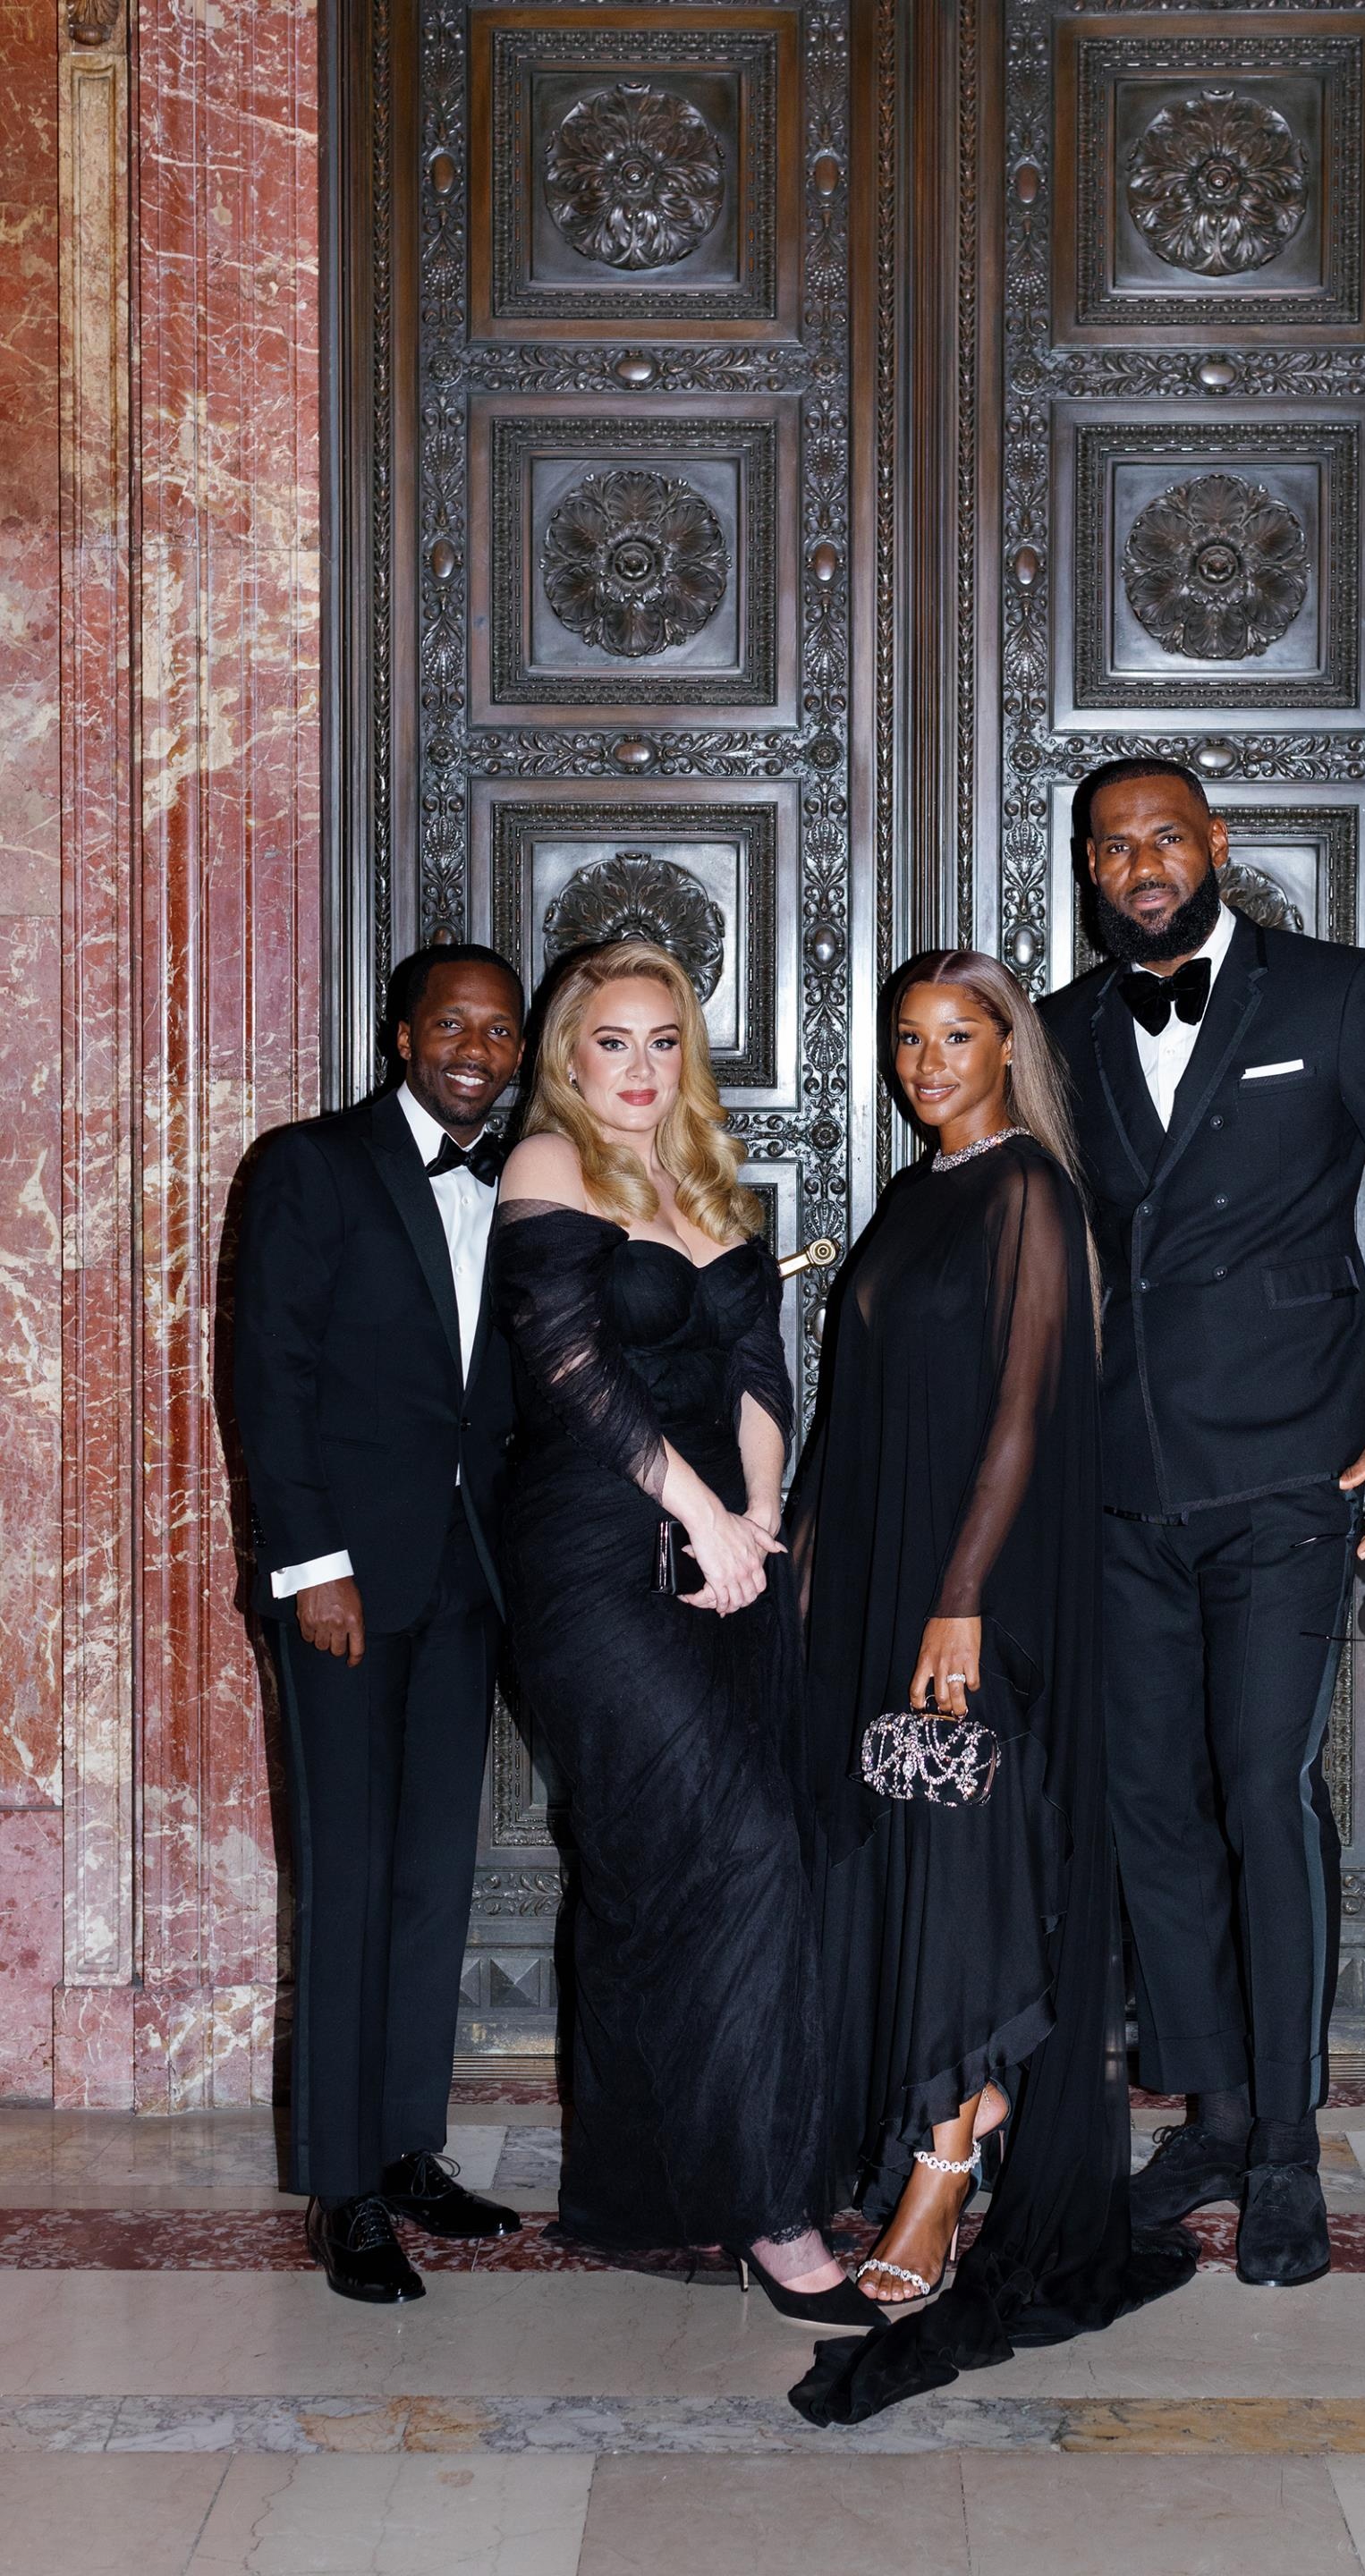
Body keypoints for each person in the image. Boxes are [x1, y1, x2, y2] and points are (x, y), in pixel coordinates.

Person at [1040, 758, 1365, 2291]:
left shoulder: (1338, 999)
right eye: (1114, 848)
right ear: (1092, 870)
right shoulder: (1062, 1033)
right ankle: (1216, 2111)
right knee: (1152, 1810)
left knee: (1260, 1787)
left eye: (1165, 836)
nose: (1141, 865)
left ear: (1216, 846)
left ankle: (1292, 2150)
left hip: (1293, 1480)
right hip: (1116, 1484)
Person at [788, 950, 1197, 2431]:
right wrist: (817, 1571)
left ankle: (946, 2162)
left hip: (983, 1593)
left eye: (958, 1035)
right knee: (914, 1846)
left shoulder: (1029, 1192)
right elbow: (855, 1409)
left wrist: (956, 1602)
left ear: (1009, 1047)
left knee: (966, 1859)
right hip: (893, 1588)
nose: (928, 1060)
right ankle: (953, 2104)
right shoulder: (918, 1194)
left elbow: (1025, 1416)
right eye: (908, 1039)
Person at [488, 939, 874, 2326]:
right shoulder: (547, 1166)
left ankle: (657, 2187)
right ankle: (776, 2212)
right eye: (612, 1043)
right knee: (742, 1850)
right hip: (600, 1551)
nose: (640, 1069)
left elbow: (762, 1364)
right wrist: (699, 1514)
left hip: (734, 1553)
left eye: (663, 1042)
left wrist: (760, 1516)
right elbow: (571, 1371)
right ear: (568, 1054)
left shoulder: (711, 1183)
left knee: (684, 1871)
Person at [233, 944, 529, 2302]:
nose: (476, 1048)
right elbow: (269, 1378)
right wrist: (314, 1565)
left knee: (431, 1879)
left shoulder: (523, 1177)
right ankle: (343, 2188)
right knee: (349, 1881)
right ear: (403, 1031)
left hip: (470, 1578)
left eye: (499, 1029)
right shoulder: (312, 1166)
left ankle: (410, 2143)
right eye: (452, 1023)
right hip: (346, 1583)